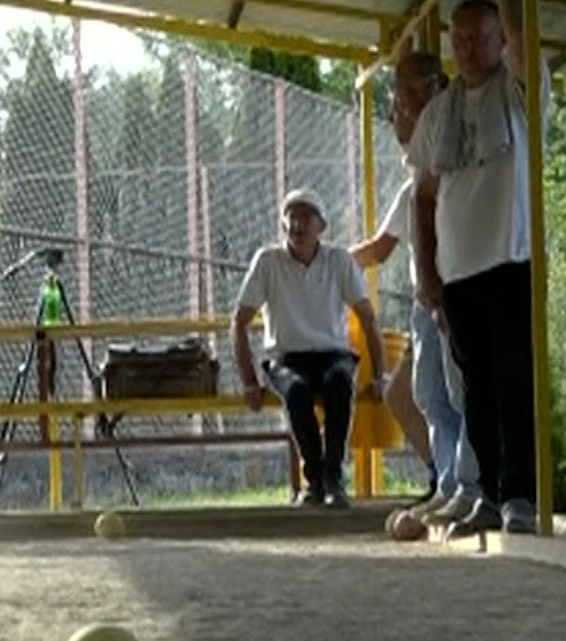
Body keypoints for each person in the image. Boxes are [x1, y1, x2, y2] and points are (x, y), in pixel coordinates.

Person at [406, 0, 545, 534]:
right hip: (459, 271)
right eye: (457, 39)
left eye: (477, 38)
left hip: (510, 260)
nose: (464, 49)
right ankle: (487, 491)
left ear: (500, 40)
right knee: (475, 390)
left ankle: (521, 495)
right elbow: (423, 194)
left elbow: (526, 48)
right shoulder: (439, 113)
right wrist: (426, 270)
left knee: (515, 382)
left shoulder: (517, 93)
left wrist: (510, 12)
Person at [351, 47, 483, 525]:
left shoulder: (447, 165)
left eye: (410, 93)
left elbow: (380, 249)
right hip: (423, 300)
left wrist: (335, 259)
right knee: (429, 392)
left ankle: (470, 487)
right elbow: (385, 246)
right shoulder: (414, 185)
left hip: (453, 289)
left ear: (438, 91)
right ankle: (449, 482)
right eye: (396, 95)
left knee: (455, 390)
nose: (397, 109)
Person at [232, 187, 388, 508]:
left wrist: (380, 375)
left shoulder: (339, 260)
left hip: (332, 353)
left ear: (322, 226)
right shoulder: (268, 261)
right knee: (297, 391)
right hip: (285, 357)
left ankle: (333, 477)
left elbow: (368, 318)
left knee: (339, 382)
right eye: (292, 216)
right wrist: (249, 381)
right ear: (283, 224)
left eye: (306, 216)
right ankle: (314, 479)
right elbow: (239, 322)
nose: (298, 224)